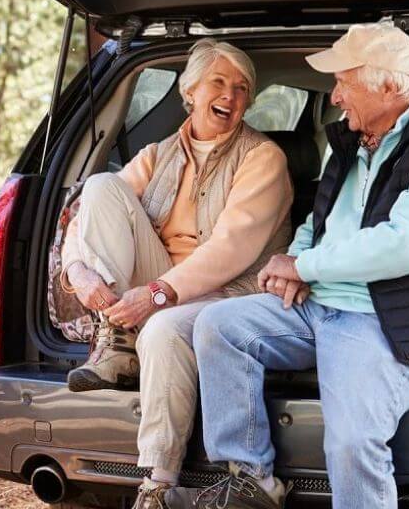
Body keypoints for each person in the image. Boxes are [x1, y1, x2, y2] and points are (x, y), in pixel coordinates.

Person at [166, 23, 409, 509]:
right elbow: (319, 221)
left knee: (352, 441)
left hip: (385, 317)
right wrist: (292, 262)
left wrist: (307, 267)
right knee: (218, 326)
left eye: (343, 83)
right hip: (318, 305)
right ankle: (250, 482)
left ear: (388, 86)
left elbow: (404, 245)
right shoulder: (353, 142)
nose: (335, 97)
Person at [59, 38, 294, 508]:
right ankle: (116, 343)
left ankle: (156, 482)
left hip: (233, 290)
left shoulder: (262, 157)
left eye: (241, 88)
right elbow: (87, 217)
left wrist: (156, 295)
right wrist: (78, 272)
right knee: (101, 186)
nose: (230, 95)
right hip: (162, 282)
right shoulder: (158, 153)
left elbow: (231, 250)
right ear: (190, 91)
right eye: (218, 82)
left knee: (164, 327)